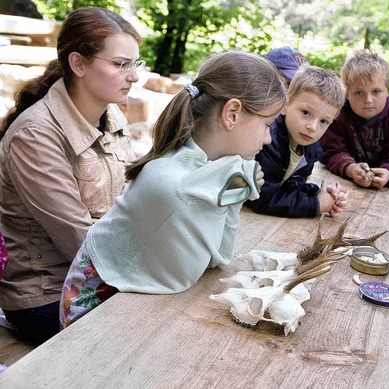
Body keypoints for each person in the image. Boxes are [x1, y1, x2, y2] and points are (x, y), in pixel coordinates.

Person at [60, 51, 287, 328]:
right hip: (92, 310)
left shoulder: (202, 169)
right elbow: (190, 273)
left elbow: (219, 259)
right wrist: (233, 186)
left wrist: (235, 193)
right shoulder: (175, 184)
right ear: (232, 113)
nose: (268, 138)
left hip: (132, 297)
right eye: (267, 124)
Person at [0, 7, 139, 344]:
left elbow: (133, 202)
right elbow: (81, 243)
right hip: (49, 294)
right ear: (78, 64)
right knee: (150, 329)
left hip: (106, 269)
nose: (133, 76)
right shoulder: (34, 136)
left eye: (136, 64)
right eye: (121, 64)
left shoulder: (113, 116)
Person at [248, 65, 348, 218]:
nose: (312, 127)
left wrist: (318, 193)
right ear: (285, 104)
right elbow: (261, 198)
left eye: (323, 121)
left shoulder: (311, 148)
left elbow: (290, 186)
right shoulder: (267, 142)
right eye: (306, 113)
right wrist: (316, 204)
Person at [319, 49, 389, 189]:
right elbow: (330, 152)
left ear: (387, 89)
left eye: (376, 92)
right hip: (342, 184)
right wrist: (351, 169)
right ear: (346, 93)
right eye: (358, 93)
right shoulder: (336, 113)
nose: (368, 100)